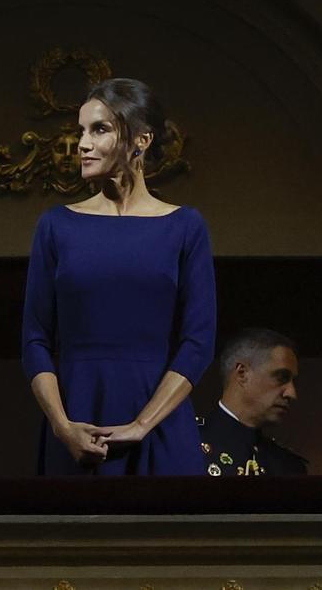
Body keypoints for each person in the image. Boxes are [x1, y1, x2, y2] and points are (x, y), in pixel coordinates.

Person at [21, 78, 216, 475]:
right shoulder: (56, 226)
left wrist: (142, 425)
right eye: (81, 131)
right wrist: (62, 426)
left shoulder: (185, 227)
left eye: (100, 129)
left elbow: (198, 341)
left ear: (140, 141)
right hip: (77, 424)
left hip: (160, 425)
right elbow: (34, 338)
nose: (82, 144)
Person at [200, 328, 307, 476]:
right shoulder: (187, 444)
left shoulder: (287, 466)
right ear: (242, 374)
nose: (291, 393)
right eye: (281, 377)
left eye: (293, 382)